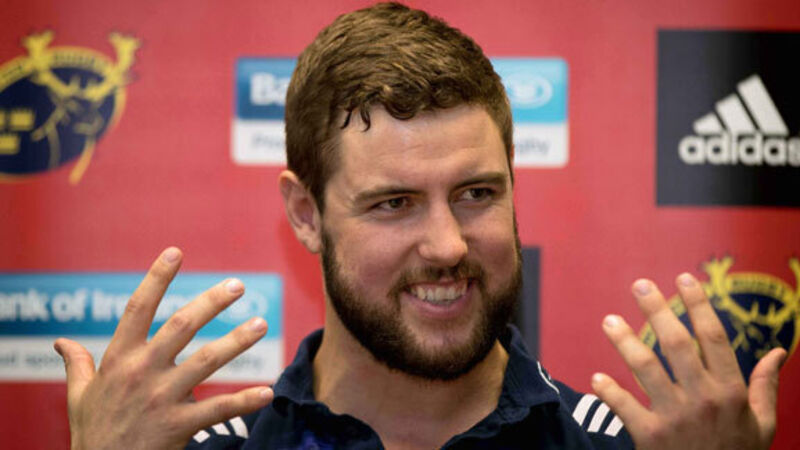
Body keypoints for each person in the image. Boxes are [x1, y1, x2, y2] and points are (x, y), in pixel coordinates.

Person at [54, 3, 786, 449]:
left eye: (476, 193)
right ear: (306, 215)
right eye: (394, 203)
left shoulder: (625, 447)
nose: (447, 245)